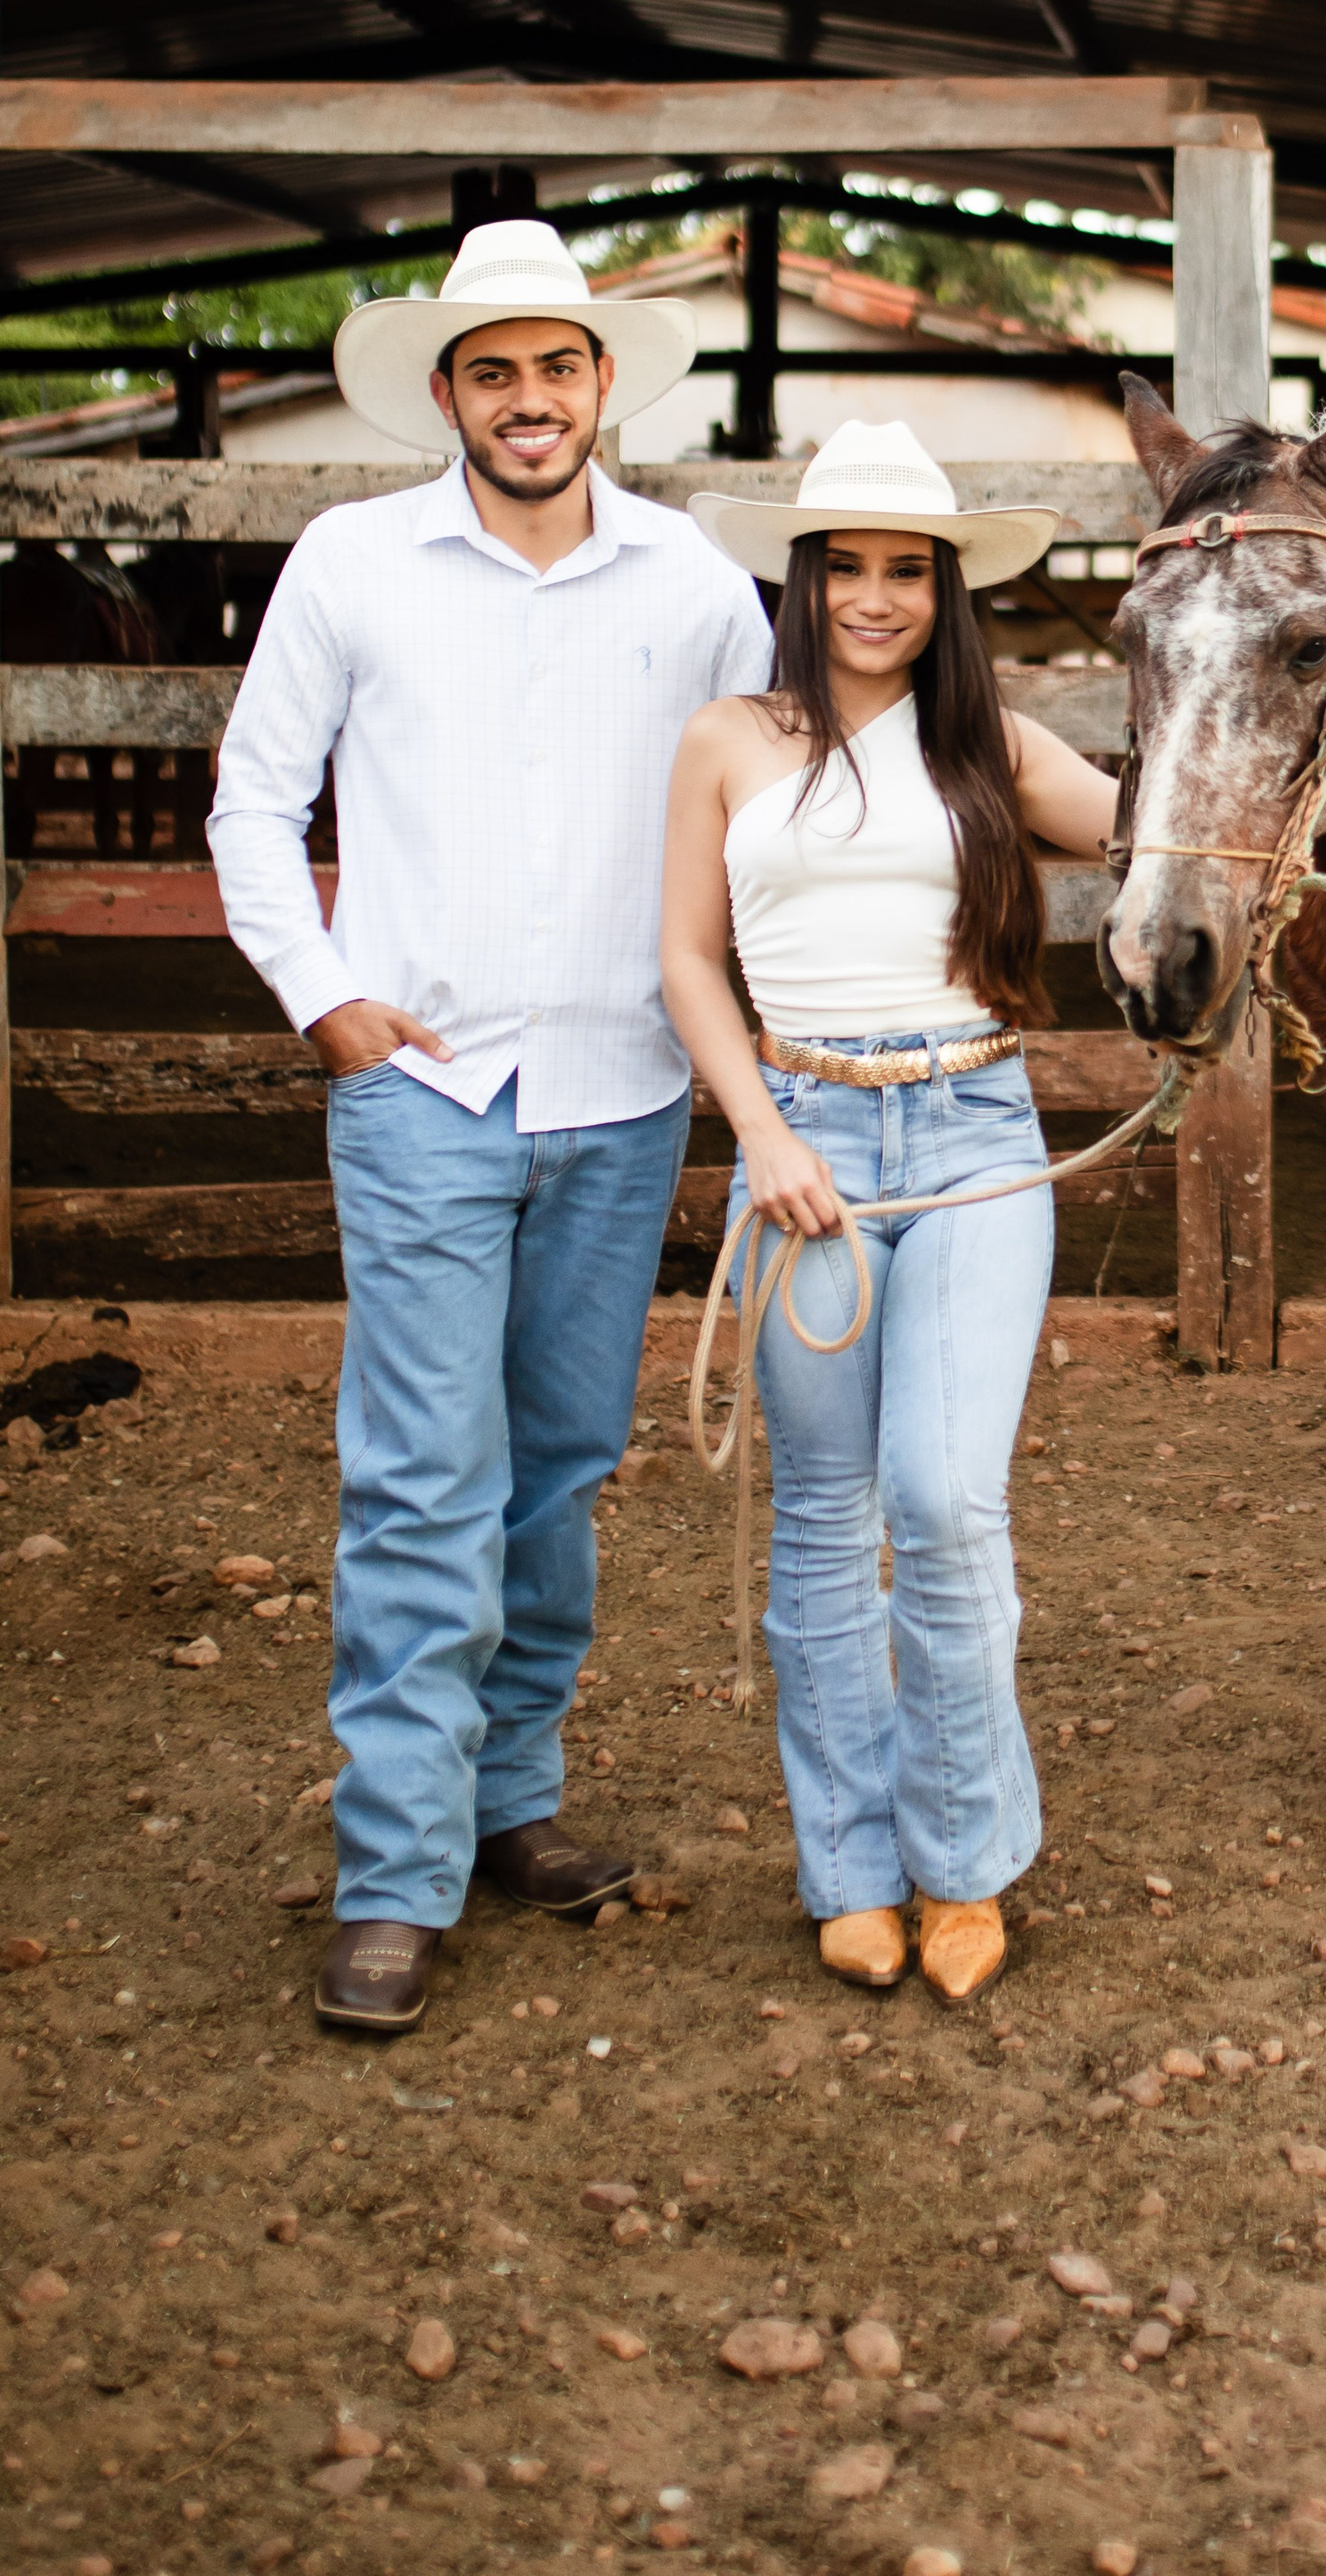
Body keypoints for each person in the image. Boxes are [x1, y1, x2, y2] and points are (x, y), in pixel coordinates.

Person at [210, 221, 775, 2035]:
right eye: (493, 370)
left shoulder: (690, 582)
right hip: (427, 1092)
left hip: (621, 1089)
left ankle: (503, 1806)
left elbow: (764, 806)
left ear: (602, 386)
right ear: (446, 392)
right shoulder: (354, 561)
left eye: (557, 367)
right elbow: (250, 797)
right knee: (420, 1480)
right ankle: (391, 1870)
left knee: (556, 1468)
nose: (528, 400)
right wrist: (325, 1000)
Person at [662, 419, 1116, 2004]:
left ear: (945, 587)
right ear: (804, 576)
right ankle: (851, 1864)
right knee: (825, 1513)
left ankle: (967, 1859)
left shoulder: (988, 741)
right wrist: (762, 1131)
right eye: (845, 565)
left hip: (977, 1129)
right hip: (808, 1144)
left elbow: (1163, 822)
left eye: (904, 570)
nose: (873, 596)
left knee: (944, 1495)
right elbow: (687, 962)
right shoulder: (729, 738)